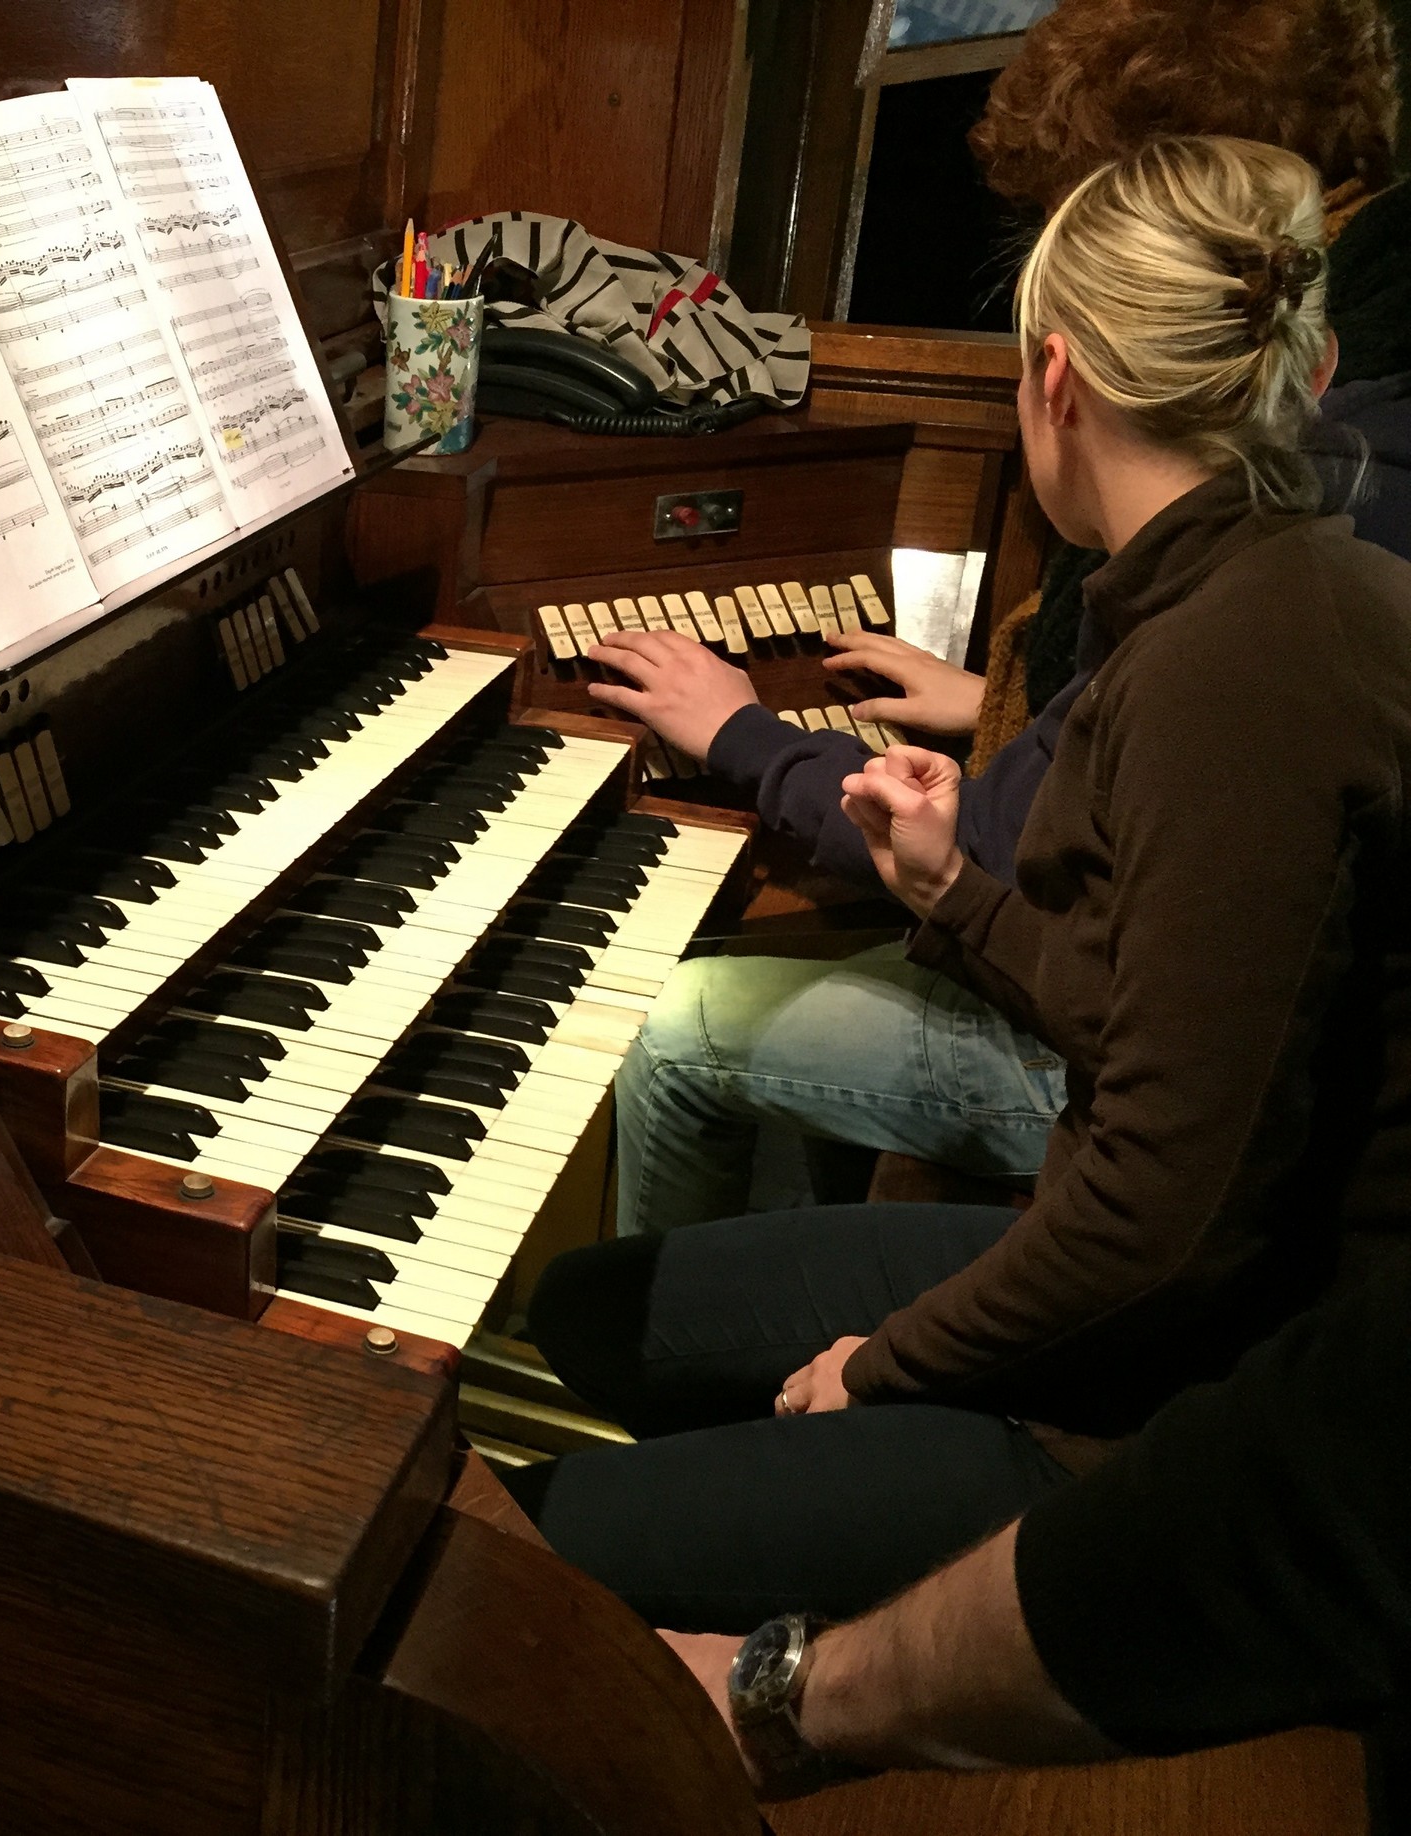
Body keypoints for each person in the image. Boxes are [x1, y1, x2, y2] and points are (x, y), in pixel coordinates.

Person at [511, 135, 1411, 1631]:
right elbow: (1162, 1020)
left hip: (1220, 1400)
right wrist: (951, 896)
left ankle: (734, 1652)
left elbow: (1162, 1224)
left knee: (528, 1549)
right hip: (1194, 1279)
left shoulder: (1242, 670)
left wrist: (883, 1367)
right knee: (597, 1314)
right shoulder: (1257, 583)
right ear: (1306, 376)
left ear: (1054, 381)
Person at [596, 0, 1406, 1235]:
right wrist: (990, 704)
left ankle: (679, 1328)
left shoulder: (1320, 515)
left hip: (1163, 1082)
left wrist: (748, 737)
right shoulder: (1308, 460)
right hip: (1190, 1028)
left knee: (676, 1027)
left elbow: (1015, 846)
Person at [656, 1236, 1411, 1828]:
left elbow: (1268, 1511)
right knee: (605, 1309)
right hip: (1130, 1350)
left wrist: (788, 1698)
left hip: (1104, 1433)